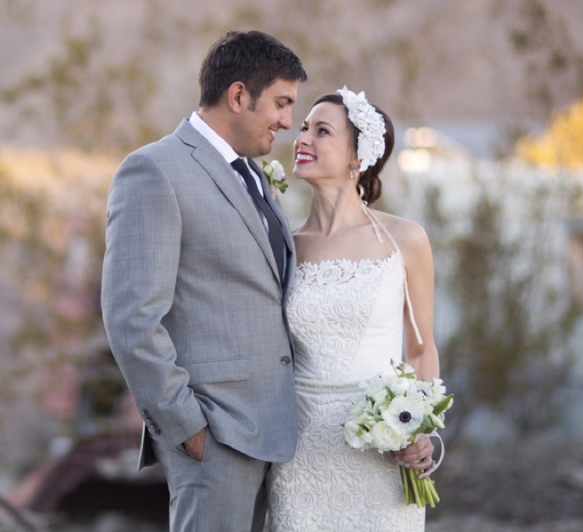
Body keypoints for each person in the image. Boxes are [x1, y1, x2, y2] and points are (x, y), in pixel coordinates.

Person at [101, 31, 306, 531]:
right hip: (215, 436)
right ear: (238, 96)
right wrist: (186, 426)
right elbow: (131, 318)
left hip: (278, 434)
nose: (287, 120)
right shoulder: (154, 170)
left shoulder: (254, 176)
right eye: (280, 103)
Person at [267, 87, 439, 531]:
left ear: (357, 156)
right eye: (303, 128)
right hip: (300, 457)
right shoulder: (283, 246)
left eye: (321, 131)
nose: (302, 138)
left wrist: (418, 429)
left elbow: (421, 351)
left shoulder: (405, 240)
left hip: (380, 456)